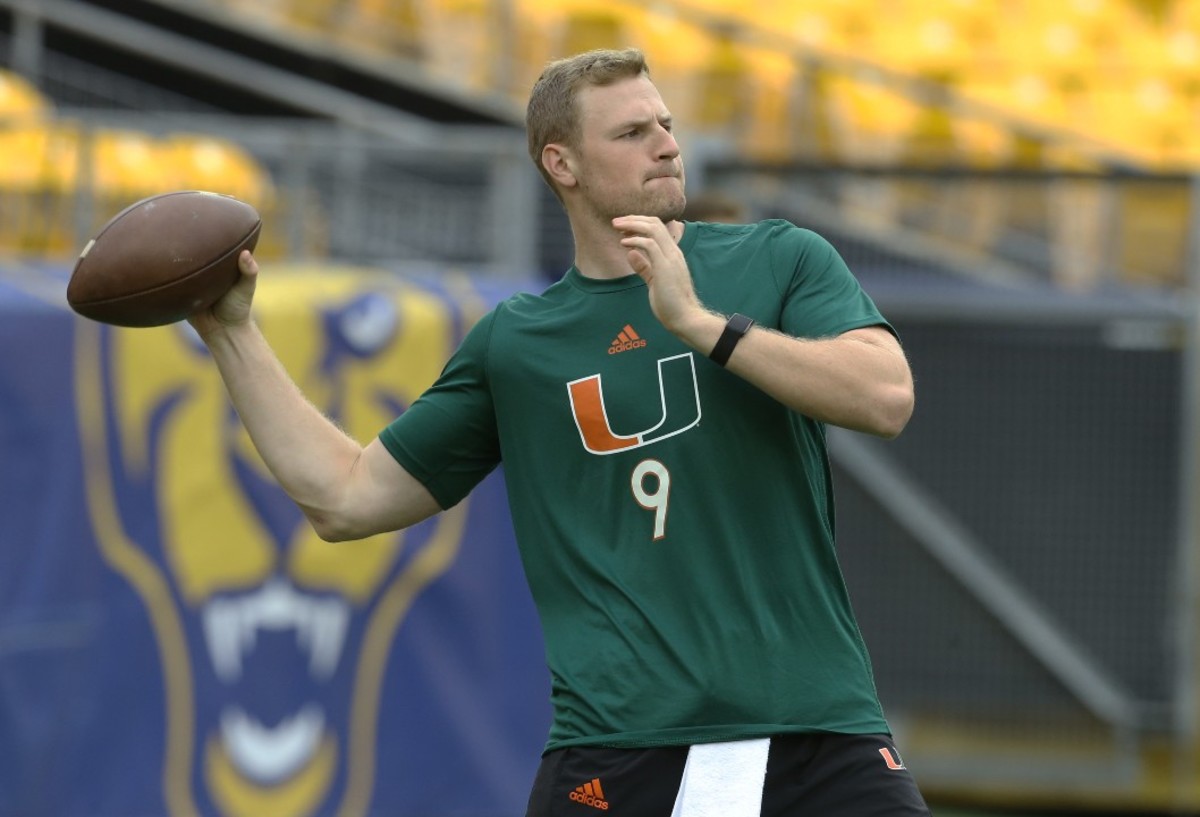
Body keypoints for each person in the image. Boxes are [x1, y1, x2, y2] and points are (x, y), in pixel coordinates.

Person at [189, 47, 924, 816]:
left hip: (818, 735)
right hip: (617, 750)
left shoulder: (778, 259)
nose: (667, 143)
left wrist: (701, 325)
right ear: (562, 164)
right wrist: (230, 334)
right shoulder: (518, 342)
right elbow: (343, 497)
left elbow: (887, 395)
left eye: (666, 124)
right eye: (633, 132)